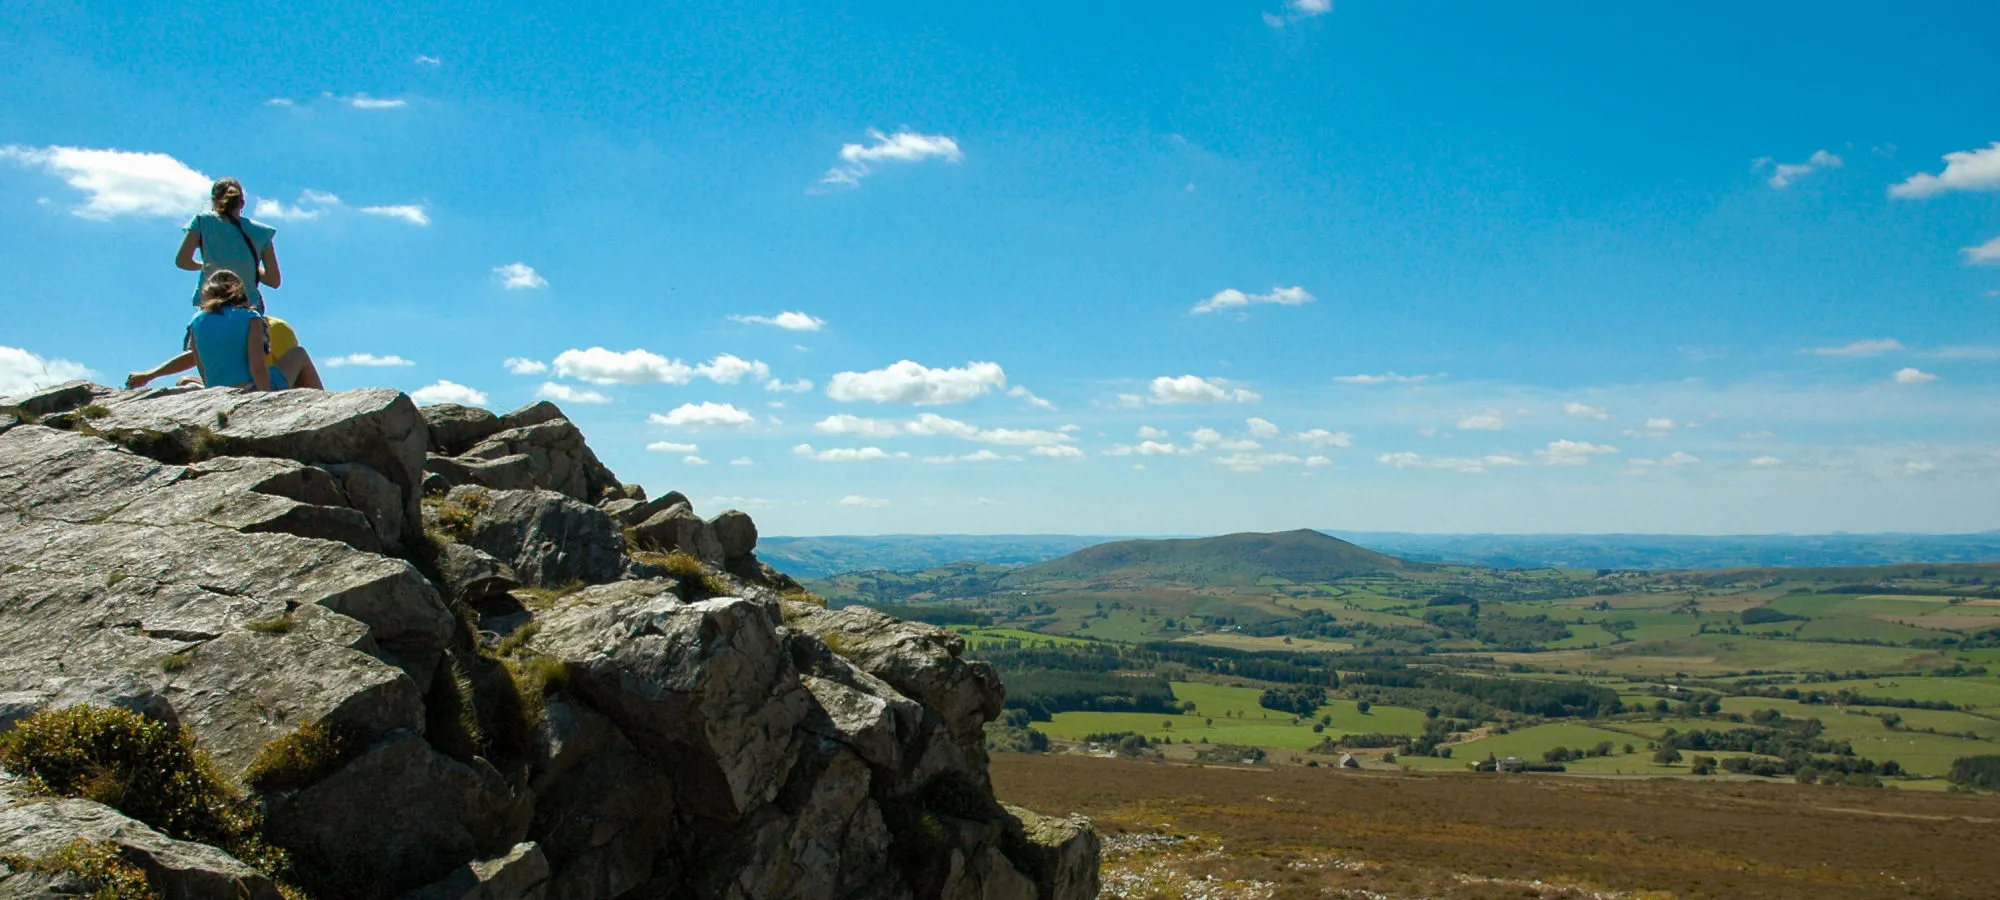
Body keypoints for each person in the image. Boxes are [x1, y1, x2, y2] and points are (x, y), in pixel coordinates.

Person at [126, 312, 323, 389]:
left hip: (239, 390)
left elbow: (194, 357)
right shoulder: (252, 324)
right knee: (185, 380)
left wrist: (150, 375)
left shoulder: (276, 328)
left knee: (186, 383)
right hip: (256, 388)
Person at [176, 177, 281, 313]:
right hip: (249, 306)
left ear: (213, 201)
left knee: (197, 333)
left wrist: (207, 265)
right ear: (242, 203)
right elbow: (274, 280)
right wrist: (248, 267)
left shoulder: (202, 222)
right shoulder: (262, 232)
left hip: (211, 304)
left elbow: (182, 261)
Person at [180, 270, 287, 391]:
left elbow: (203, 369)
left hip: (216, 392)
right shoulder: (251, 317)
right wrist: (266, 397)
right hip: (248, 388)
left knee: (187, 379)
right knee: (299, 355)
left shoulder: (195, 322)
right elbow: (257, 368)